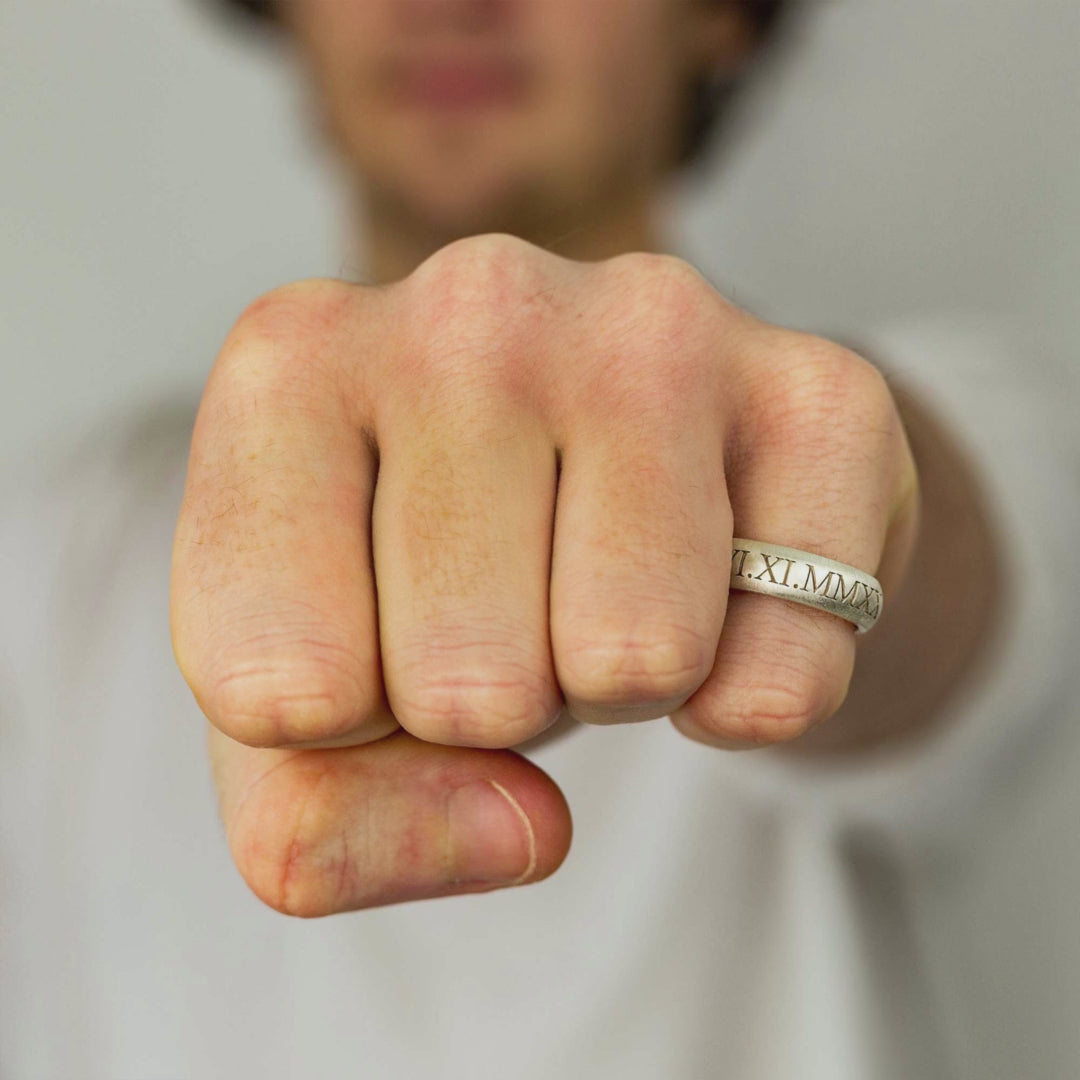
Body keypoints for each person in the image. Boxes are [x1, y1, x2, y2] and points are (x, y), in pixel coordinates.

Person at [2, 1, 1079, 1077]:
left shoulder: (977, 421)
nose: (456, 8)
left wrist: (831, 486)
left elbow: (955, 601)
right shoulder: (59, 538)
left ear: (719, 19)